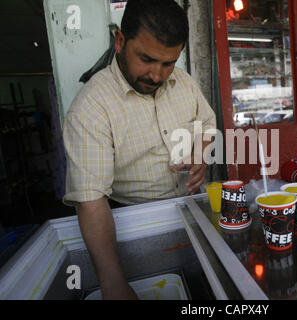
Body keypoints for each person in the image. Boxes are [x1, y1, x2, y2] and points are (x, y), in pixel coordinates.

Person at [63, 0, 216, 299]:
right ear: (120, 41)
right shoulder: (91, 107)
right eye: (146, 59)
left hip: (192, 207)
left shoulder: (183, 83)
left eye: (168, 63)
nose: (157, 76)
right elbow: (90, 201)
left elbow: (207, 125)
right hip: (130, 221)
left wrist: (201, 153)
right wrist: (112, 283)